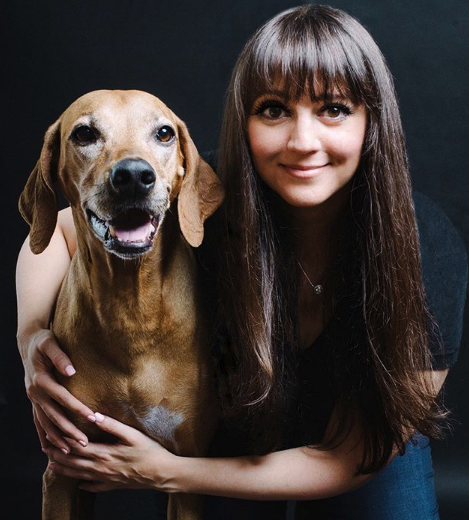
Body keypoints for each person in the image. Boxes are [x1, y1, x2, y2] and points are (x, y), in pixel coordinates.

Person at [16, 5, 467, 519]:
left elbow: (349, 459)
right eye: (273, 109)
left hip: (360, 454)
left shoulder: (426, 247)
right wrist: (30, 334)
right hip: (242, 447)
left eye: (334, 109)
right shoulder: (206, 204)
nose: (302, 142)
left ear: (373, 123)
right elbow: (60, 231)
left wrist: (162, 470)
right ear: (244, 121)